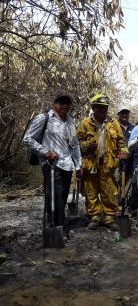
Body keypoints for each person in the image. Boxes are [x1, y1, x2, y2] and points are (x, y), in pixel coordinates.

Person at [24, 92, 82, 230]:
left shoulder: (70, 121)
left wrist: (79, 165)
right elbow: (28, 138)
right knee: (55, 196)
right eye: (61, 102)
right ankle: (57, 226)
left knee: (61, 196)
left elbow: (75, 144)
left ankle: (56, 224)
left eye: (67, 103)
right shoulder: (44, 118)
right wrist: (45, 152)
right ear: (54, 103)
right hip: (51, 164)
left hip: (67, 164)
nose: (65, 105)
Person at [77, 94, 128, 230]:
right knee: (91, 192)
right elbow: (77, 143)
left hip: (108, 164)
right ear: (93, 108)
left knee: (109, 192)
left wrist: (124, 152)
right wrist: (87, 145)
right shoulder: (85, 123)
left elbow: (121, 141)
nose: (102, 110)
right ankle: (95, 216)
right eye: (99, 107)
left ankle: (110, 218)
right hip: (90, 164)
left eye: (105, 108)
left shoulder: (113, 123)